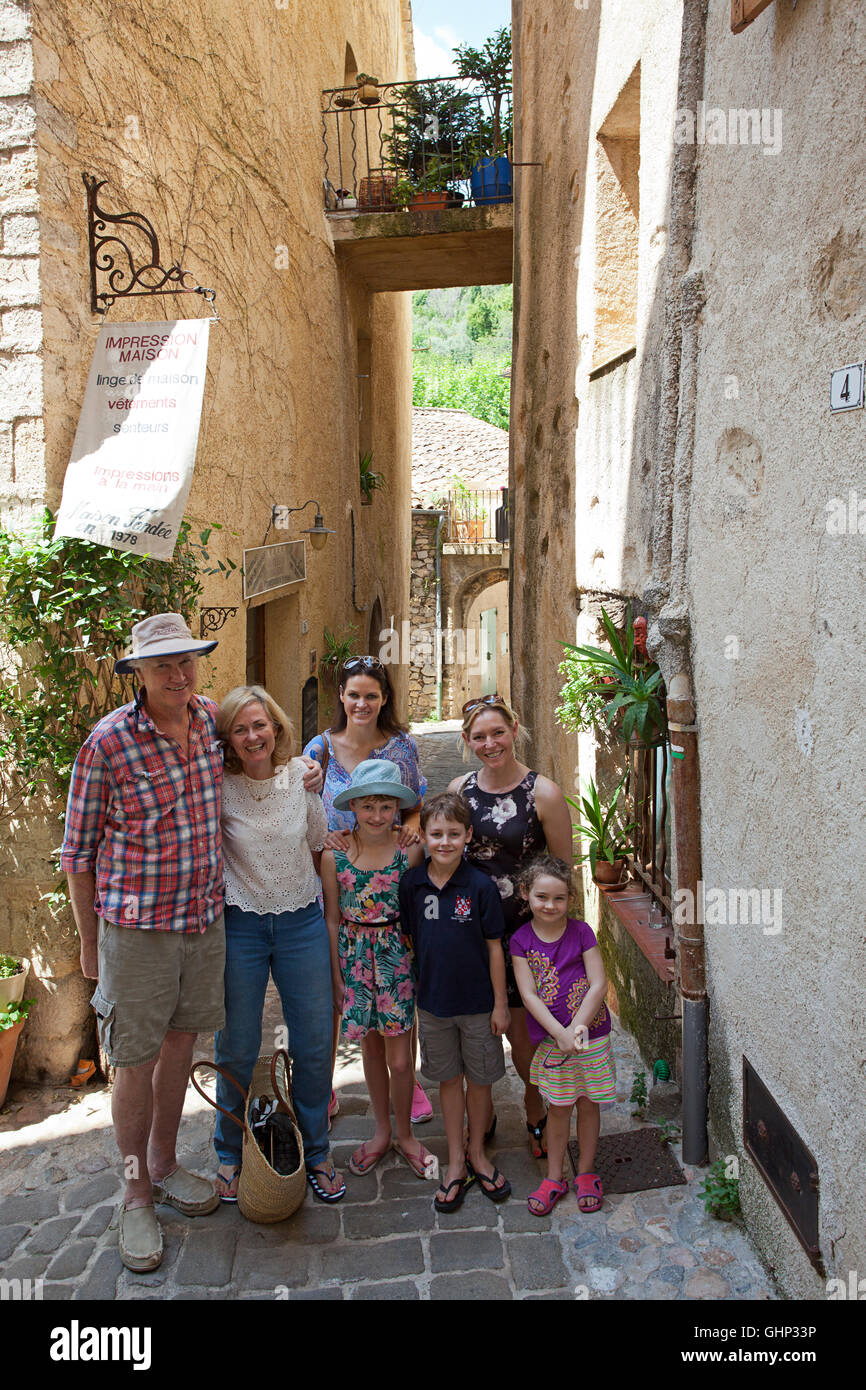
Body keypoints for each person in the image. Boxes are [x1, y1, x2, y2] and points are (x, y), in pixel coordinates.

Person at [61, 613, 226, 1273]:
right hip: (135, 932)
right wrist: (89, 946)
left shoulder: (212, 721)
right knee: (133, 1063)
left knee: (182, 1046)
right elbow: (77, 854)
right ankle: (134, 1190)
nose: (177, 675)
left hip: (202, 922)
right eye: (162, 666)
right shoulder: (107, 744)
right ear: (137, 673)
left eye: (185, 662)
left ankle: (163, 1162)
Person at [214, 685, 344, 1204]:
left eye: (260, 725)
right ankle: (229, 1150)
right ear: (229, 737)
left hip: (301, 923)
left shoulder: (302, 780)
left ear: (276, 728)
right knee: (238, 1045)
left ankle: (316, 1149)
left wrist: (329, 918)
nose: (252, 736)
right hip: (240, 925)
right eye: (240, 728)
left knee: (313, 1041)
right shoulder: (217, 787)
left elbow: (319, 849)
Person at [304, 655, 432, 1125]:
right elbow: (303, 807)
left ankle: (409, 1080)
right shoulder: (318, 747)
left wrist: (411, 832)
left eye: (371, 696)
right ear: (341, 696)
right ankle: (325, 1086)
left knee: (397, 990)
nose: (362, 703)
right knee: (338, 986)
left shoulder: (400, 747)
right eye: (354, 694)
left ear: (384, 700)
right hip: (334, 873)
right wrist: (326, 843)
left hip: (388, 874)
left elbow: (415, 806)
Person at [447, 694, 574, 1160]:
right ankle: (482, 1116)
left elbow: (562, 870)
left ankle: (534, 1103)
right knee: (477, 1034)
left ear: (515, 729)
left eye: (497, 732)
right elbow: (442, 844)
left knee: (523, 1039)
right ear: (467, 741)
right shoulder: (461, 789)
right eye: (479, 736)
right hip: (472, 934)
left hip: (525, 938)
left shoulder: (543, 794)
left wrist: (561, 941)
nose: (490, 743)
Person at [399, 792, 511, 1213]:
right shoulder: (412, 885)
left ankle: (479, 1153)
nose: (444, 842)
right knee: (448, 1081)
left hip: (479, 1004)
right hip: (433, 1005)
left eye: (453, 834)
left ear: (467, 835)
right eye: (435, 834)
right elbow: (411, 939)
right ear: (423, 836)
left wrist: (500, 1004)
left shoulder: (480, 887)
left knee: (480, 1082)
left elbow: (495, 947)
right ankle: (455, 1161)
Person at [320, 760, 432, 1178]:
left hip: (397, 958)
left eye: (386, 806)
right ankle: (382, 1130)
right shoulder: (336, 855)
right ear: (354, 808)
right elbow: (332, 918)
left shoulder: (410, 851)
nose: (377, 816)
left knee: (400, 1059)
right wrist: (336, 974)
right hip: (354, 957)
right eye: (368, 806)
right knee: (370, 1047)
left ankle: (406, 1133)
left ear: (397, 809)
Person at [510, 855, 615, 1216]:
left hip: (591, 1035)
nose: (550, 905)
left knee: (588, 1104)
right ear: (525, 893)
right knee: (558, 1108)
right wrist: (560, 1034)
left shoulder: (582, 932)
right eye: (542, 897)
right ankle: (555, 1176)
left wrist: (578, 1028)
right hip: (554, 1042)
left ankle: (586, 1173)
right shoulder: (520, 941)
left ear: (570, 898)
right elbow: (528, 995)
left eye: (558, 898)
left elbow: (598, 982)